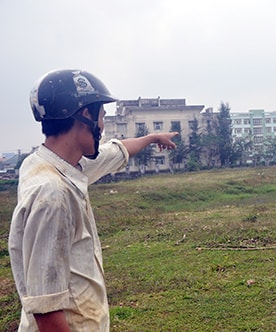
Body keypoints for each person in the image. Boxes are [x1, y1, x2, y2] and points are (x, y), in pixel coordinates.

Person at [8, 69, 178, 331]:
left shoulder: (49, 164)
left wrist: (153, 138)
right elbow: (47, 314)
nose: (103, 125)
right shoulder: (53, 194)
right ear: (86, 115)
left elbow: (115, 151)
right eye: (102, 116)